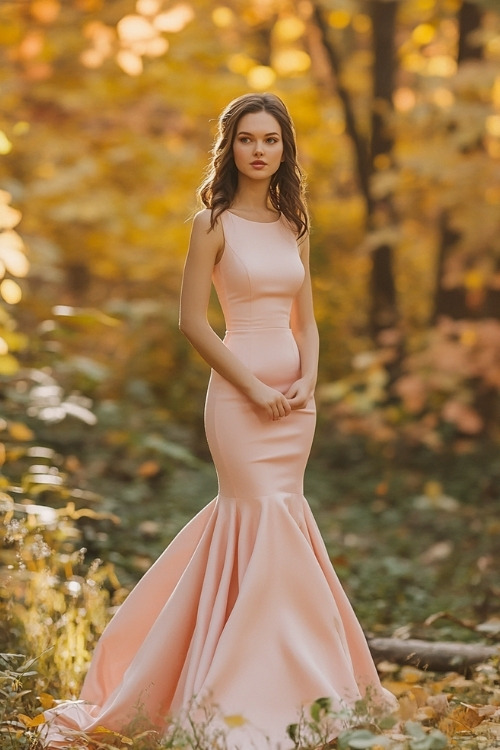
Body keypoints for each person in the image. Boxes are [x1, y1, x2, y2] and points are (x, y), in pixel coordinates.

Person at [40, 93, 395, 749]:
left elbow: (307, 322)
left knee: (283, 524)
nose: (259, 150)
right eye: (247, 139)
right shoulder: (213, 223)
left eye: (271, 140)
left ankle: (303, 688)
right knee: (253, 515)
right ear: (230, 148)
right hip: (239, 398)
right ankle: (228, 695)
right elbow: (192, 322)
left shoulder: (296, 225)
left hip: (296, 404)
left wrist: (309, 379)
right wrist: (255, 388)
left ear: (285, 150)